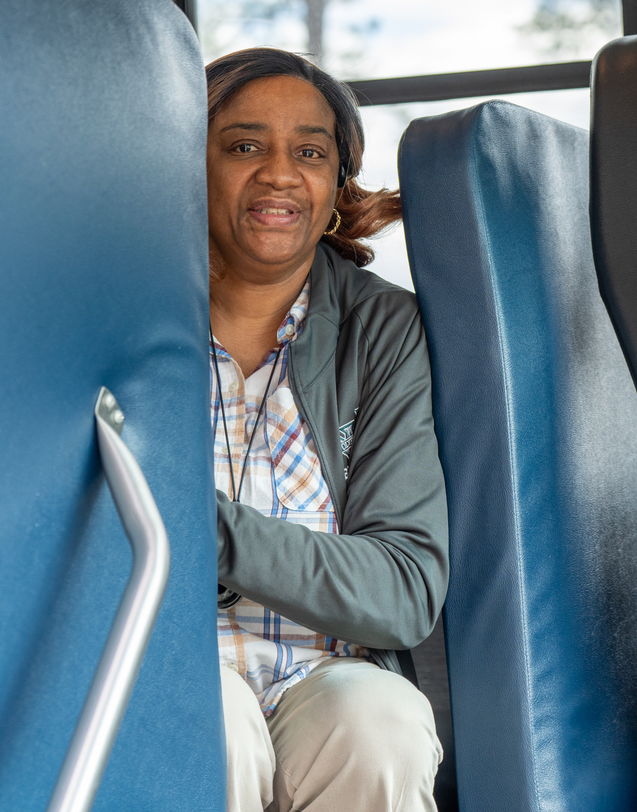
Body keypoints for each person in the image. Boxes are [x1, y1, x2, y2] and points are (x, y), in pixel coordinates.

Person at [206, 47, 448, 812]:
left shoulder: (383, 329)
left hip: (326, 673)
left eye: (308, 152)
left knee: (381, 725)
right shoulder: (115, 309)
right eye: (244, 146)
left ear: (334, 185)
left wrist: (209, 533)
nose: (279, 173)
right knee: (204, 720)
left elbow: (403, 589)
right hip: (161, 655)